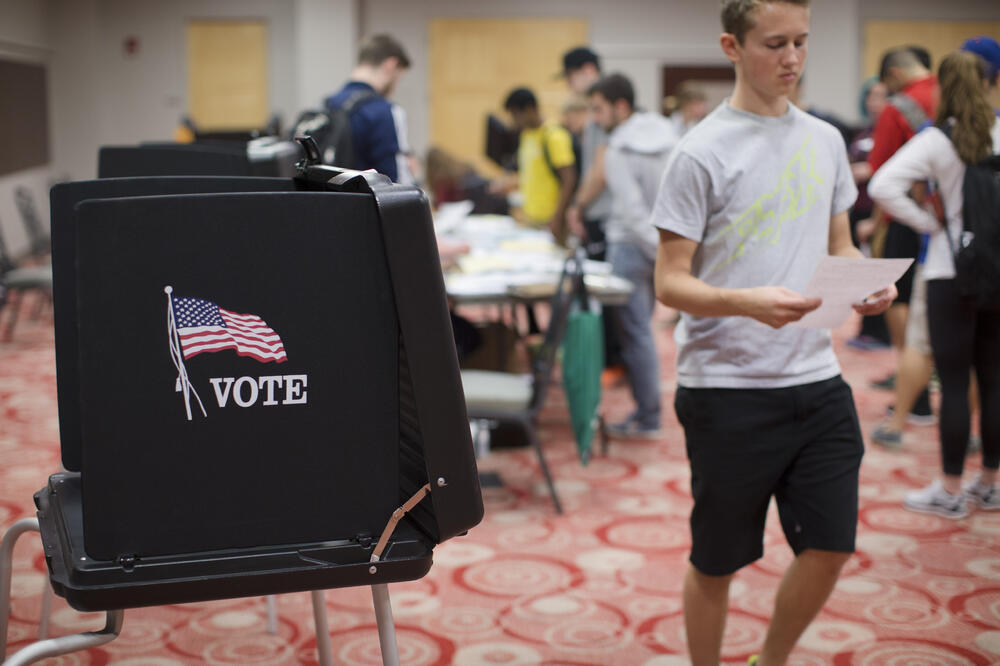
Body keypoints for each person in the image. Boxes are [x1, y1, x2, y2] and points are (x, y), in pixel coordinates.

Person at [651, 1, 897, 664]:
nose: (792, 58)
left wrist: (867, 281)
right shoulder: (699, 152)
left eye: (802, 43)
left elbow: (840, 244)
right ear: (733, 46)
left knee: (832, 545)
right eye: (775, 43)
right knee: (718, 559)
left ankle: (771, 659)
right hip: (726, 388)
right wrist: (742, 301)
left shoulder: (823, 139)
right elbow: (670, 283)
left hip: (816, 379)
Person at [869, 50, 1000, 518]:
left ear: (943, 87)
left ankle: (948, 488)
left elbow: (883, 185)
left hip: (950, 270)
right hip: (996, 271)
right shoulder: (999, 130)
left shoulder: (938, 140)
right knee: (993, 377)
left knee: (956, 379)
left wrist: (928, 223)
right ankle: (990, 482)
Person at [588, 73, 678, 439]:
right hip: (667, 243)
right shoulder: (668, 135)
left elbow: (632, 211)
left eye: (599, 109)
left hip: (631, 246)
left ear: (620, 106)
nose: (595, 117)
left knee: (637, 335)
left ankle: (648, 417)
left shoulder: (619, 150)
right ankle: (650, 413)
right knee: (650, 333)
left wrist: (656, 249)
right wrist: (667, 250)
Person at [864, 46, 938, 424]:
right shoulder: (952, 93)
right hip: (959, 225)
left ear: (893, 74)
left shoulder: (899, 106)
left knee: (899, 302)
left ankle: (916, 392)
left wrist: (876, 225)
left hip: (910, 221)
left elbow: (882, 177)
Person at [560, 46, 625, 384]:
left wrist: (578, 206)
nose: (570, 85)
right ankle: (613, 360)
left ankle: (614, 362)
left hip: (604, 215)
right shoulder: (597, 108)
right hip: (600, 215)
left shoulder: (603, 109)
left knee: (606, 295)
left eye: (570, 76)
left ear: (586, 70)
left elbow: (599, 171)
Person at [324, 34, 411, 181]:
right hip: (363, 202)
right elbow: (394, 181)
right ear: (391, 65)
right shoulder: (384, 111)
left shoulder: (328, 104)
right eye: (398, 77)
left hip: (327, 200)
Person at [502, 87, 578, 244]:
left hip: (551, 220)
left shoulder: (554, 136)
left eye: (516, 114)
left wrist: (557, 218)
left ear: (529, 109)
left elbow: (569, 179)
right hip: (531, 218)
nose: (514, 121)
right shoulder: (526, 136)